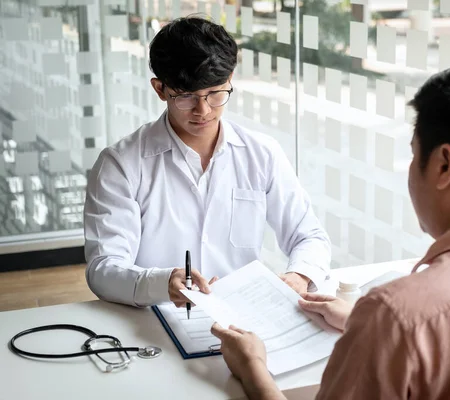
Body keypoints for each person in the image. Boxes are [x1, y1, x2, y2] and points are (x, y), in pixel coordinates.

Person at [210, 61, 450, 399]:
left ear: (444, 165)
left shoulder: (397, 314)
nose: (410, 171)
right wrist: (369, 330)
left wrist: (253, 370)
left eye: (415, 154)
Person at [83, 16, 331, 308]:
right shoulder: (121, 165)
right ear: (159, 88)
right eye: (186, 97)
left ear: (230, 80)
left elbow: (309, 235)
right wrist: (161, 283)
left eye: (215, 93)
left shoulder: (262, 154)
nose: (203, 110)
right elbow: (103, 268)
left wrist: (299, 276)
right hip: (156, 321)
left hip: (244, 319)